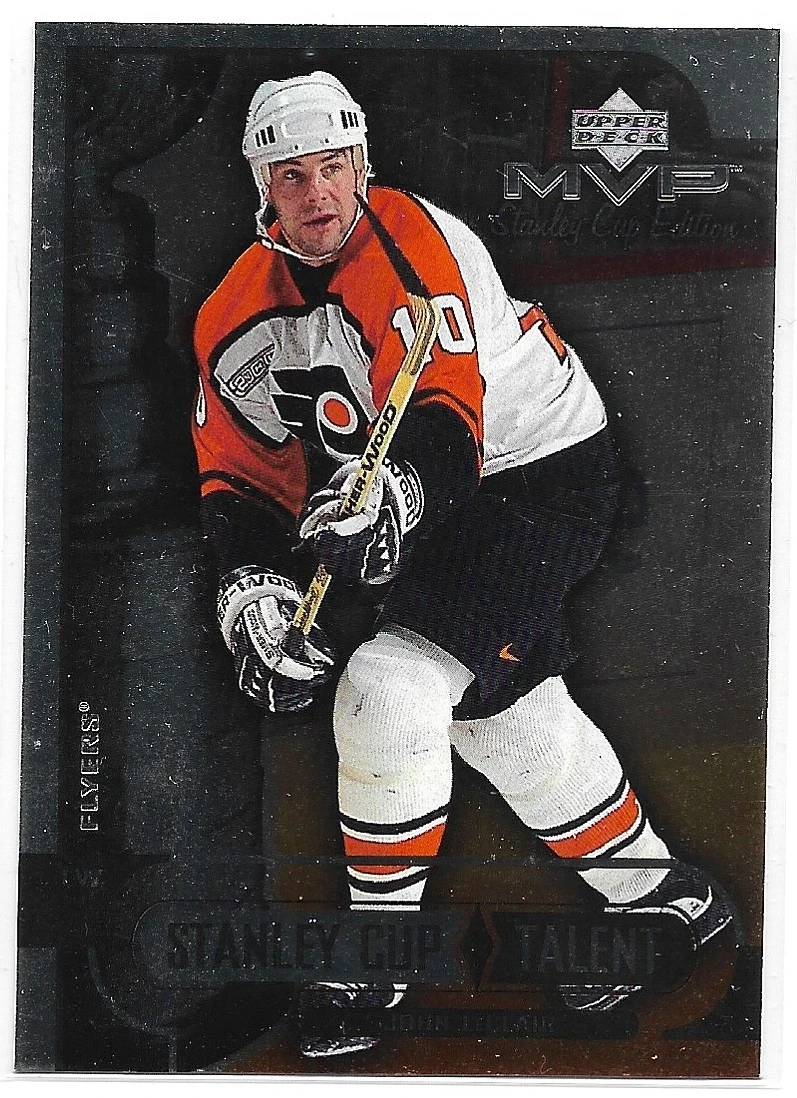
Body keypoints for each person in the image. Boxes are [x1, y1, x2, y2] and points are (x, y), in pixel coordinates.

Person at [192, 71, 734, 1057]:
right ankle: (662, 895)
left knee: (389, 688)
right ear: (260, 186)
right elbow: (240, 475)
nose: (317, 192)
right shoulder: (232, 312)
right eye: (291, 174)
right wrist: (252, 588)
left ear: (361, 165)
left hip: (537, 470)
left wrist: (394, 498)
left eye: (332, 166)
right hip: (437, 485)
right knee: (496, 710)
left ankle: (377, 957)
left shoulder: (409, 242)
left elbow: (444, 413)